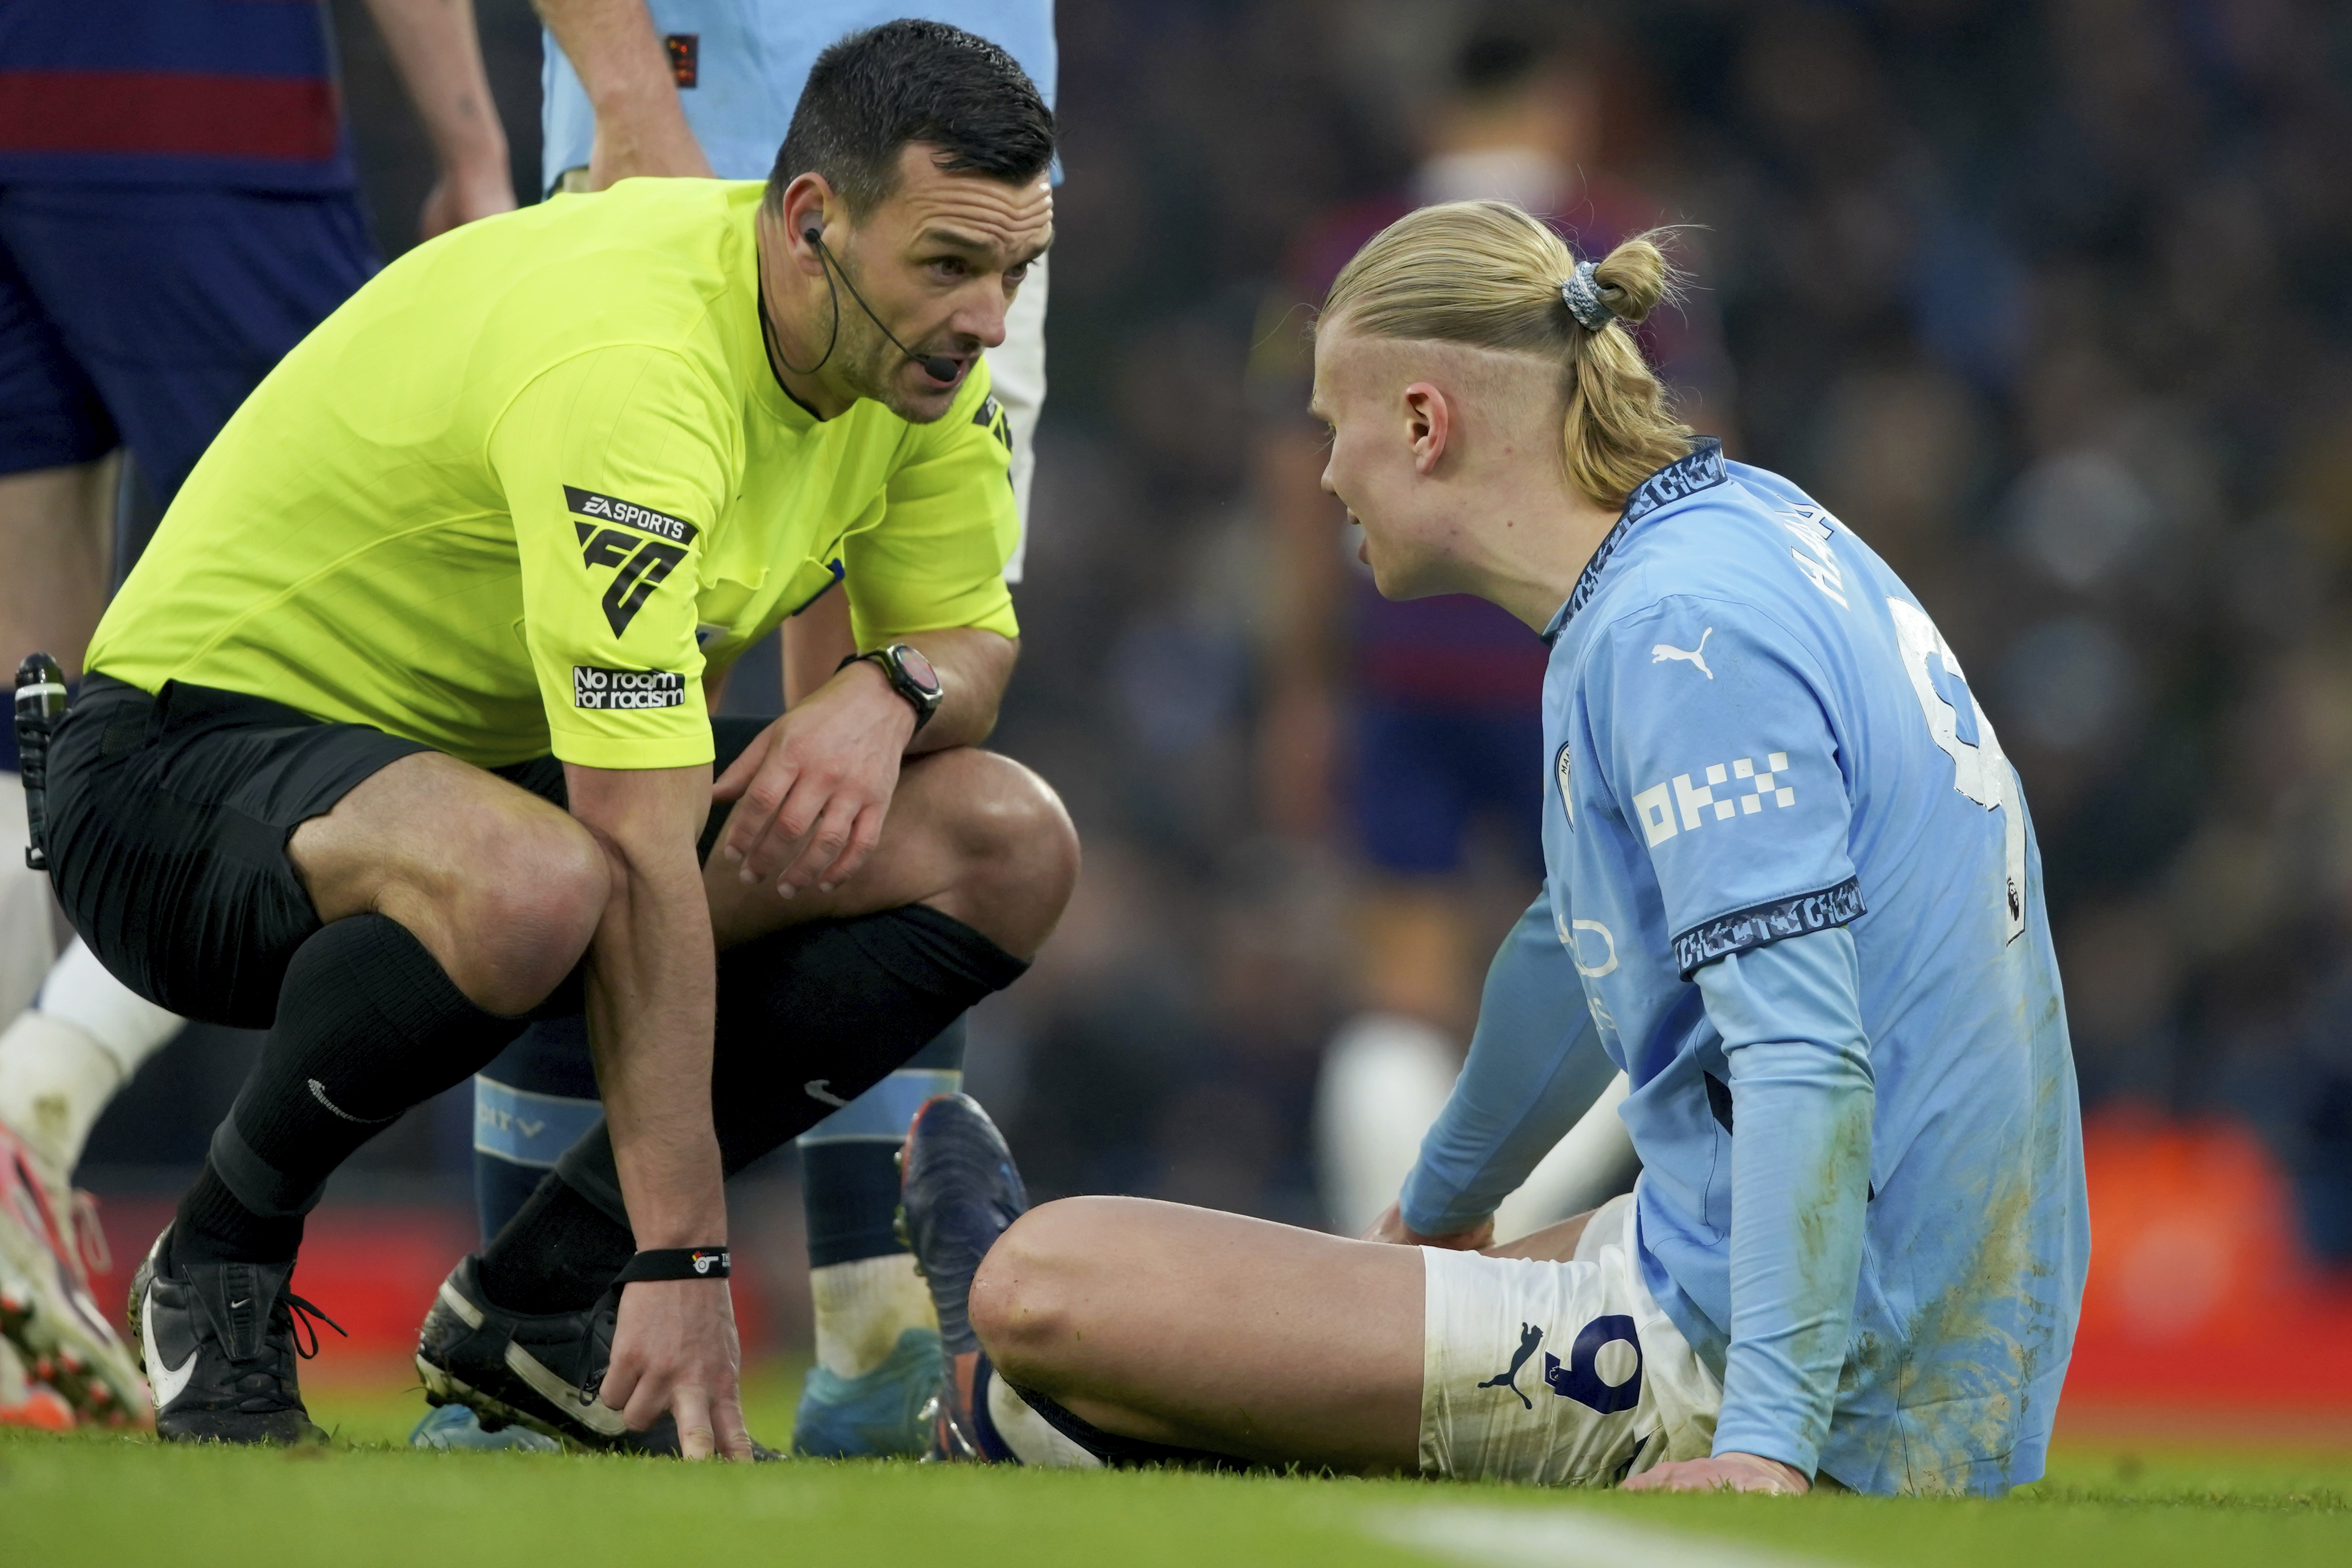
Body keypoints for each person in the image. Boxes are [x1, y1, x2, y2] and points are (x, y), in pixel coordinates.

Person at [897, 201, 2086, 1495]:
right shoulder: (1735, 533)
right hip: (1913, 1301)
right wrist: (1438, 1203)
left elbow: (1804, 1051)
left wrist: (1765, 1444)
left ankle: (1022, 1399)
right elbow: (1578, 954)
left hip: (1826, 1355)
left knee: (1045, 1279)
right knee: (1323, 1303)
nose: (1324, 476)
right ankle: (1057, 1420)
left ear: (1422, 422)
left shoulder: (1675, 633)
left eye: (1327, 426)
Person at [34, 20, 1075, 1452]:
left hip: (474, 791)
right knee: (548, 878)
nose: (988, 318)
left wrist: (881, 692)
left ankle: (534, 1303)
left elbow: (973, 641)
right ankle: (217, 1253)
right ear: (811, 223)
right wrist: (691, 1258)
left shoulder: (914, 363)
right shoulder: (642, 372)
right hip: (168, 775)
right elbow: (636, 847)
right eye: (950, 265)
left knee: (1001, 841)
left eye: (1014, 268)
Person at [433, 0, 1056, 1459]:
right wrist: (628, 99)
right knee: (607, 753)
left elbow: (948, 660)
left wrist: (881, 692)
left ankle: (878, 1334)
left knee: (907, 763)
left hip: (976, 158)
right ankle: (539, 1346)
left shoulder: (985, 265)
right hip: (687, 135)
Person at [0, 0, 516, 1427]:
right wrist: (473, 144)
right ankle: (36, 1100)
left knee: (30, 673)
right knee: (363, 638)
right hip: (192, 111)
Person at [1244, 16, 1730, 1237]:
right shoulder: (1616, 252)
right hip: (1579, 664)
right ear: (1561, 107)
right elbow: (1690, 467)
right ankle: (1486, 1251)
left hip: (1398, 666)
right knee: (1620, 969)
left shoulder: (1346, 248)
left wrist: (1302, 685)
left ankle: (1387, 1262)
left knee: (1399, 983)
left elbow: (1287, 493)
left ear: (1429, 114)